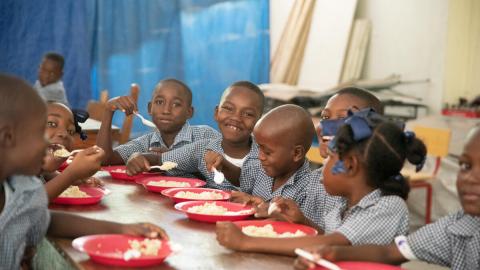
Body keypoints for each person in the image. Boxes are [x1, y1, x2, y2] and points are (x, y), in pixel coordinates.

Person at [0, 74, 168, 269]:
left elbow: (42, 219)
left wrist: (121, 229)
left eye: (71, 131)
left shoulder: (22, 186)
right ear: (7, 138)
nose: (48, 143)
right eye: (39, 133)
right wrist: (70, 174)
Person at [216, 108, 427, 256]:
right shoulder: (342, 206)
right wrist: (302, 222)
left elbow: (331, 244)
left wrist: (246, 242)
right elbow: (334, 240)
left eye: (330, 158)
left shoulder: (387, 206)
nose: (322, 168)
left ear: (350, 165)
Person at [294, 125, 480, 270]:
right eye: (465, 166)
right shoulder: (460, 226)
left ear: (351, 164)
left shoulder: (387, 206)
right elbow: (390, 251)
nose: (471, 177)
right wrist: (333, 253)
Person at [126, 81, 264, 191]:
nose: (236, 118)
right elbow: (161, 159)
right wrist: (139, 157)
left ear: (259, 122)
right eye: (228, 108)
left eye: (248, 114)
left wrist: (225, 166)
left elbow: (247, 181)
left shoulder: (264, 157)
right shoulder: (203, 148)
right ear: (216, 113)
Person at [208, 104, 316, 207]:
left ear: (296, 153)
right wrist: (224, 164)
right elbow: (241, 178)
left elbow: (298, 222)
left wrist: (264, 206)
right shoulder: (262, 167)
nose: (261, 156)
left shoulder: (309, 189)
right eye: (259, 148)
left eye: (268, 152)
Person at [97, 78, 219, 165]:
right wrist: (108, 111)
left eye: (176, 104)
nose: (166, 110)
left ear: (189, 112)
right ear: (150, 108)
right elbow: (105, 159)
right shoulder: (146, 144)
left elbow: (226, 172)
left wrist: (168, 158)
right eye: (160, 102)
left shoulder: (205, 135)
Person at [41, 102, 104, 201]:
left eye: (70, 131)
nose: (64, 134)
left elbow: (47, 174)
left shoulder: (38, 170)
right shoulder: (15, 173)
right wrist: (71, 174)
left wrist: (77, 179)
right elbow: (31, 203)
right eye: (51, 124)